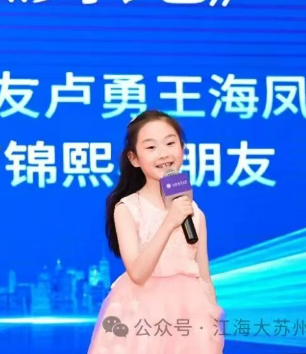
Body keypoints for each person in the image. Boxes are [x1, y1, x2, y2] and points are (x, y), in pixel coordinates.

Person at [87, 110, 224, 354]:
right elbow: (138, 273)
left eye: (170, 143)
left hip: (190, 315)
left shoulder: (194, 212)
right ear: (134, 158)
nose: (163, 154)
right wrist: (169, 221)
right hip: (141, 313)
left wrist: (212, 316)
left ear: (182, 149)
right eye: (151, 147)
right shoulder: (128, 208)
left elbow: (203, 274)